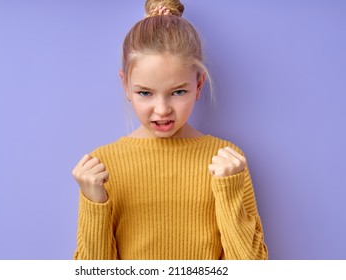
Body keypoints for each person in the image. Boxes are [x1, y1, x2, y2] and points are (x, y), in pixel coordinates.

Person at [72, 0, 268, 260]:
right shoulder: (103, 166)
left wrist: (229, 191)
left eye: (178, 91)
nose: (162, 109)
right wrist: (94, 201)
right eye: (145, 92)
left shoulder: (227, 159)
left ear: (198, 85)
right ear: (126, 86)